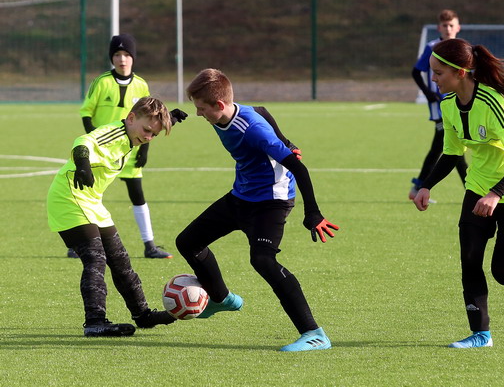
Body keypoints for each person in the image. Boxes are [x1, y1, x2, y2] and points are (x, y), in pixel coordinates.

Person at [176, 68, 339, 352]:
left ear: (220, 105)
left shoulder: (253, 130)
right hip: (242, 196)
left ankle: (314, 334)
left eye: (201, 109)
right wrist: (286, 139)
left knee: (263, 260)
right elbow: (261, 109)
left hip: (271, 201)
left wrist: (313, 213)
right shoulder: (226, 114)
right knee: (188, 242)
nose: (199, 114)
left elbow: (298, 168)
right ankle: (221, 299)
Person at [413, 38, 504, 348]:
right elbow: (452, 153)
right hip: (478, 187)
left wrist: (496, 194)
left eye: (438, 73)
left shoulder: (494, 104)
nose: (433, 79)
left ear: (460, 73)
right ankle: (481, 334)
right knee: (470, 259)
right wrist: (426, 185)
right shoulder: (448, 105)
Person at [47, 97, 188, 337]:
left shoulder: (134, 133)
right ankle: (95, 322)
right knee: (96, 259)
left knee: (121, 262)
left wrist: (167, 119)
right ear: (130, 118)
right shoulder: (113, 133)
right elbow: (82, 142)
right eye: (147, 130)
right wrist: (83, 165)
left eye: (154, 134)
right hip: (69, 198)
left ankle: (143, 315)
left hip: (92, 202)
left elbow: (146, 125)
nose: (148, 137)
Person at [70, 33, 171, 259]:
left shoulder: (141, 85)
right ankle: (76, 243)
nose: (122, 59)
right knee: (90, 194)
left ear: (133, 58)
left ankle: (149, 245)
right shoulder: (101, 82)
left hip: (130, 150)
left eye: (126, 54)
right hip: (102, 151)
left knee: (138, 195)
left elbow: (150, 119)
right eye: (117, 54)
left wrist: (144, 149)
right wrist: (95, 142)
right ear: (111, 58)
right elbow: (86, 113)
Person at [409, 9, 468, 201]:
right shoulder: (432, 47)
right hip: (440, 107)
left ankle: (418, 187)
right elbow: (416, 71)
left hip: (457, 104)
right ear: (439, 28)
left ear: (458, 27)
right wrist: (428, 93)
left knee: (444, 149)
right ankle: (471, 191)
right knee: (453, 150)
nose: (448, 28)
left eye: (451, 25)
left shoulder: (461, 48)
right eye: (445, 25)